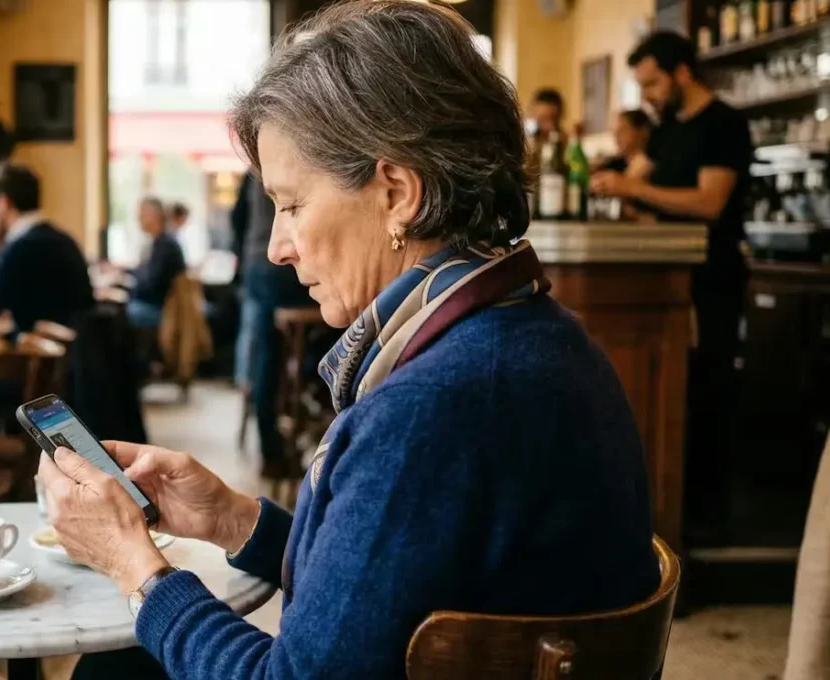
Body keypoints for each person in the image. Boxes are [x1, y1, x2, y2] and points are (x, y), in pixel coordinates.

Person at [38, 3, 661, 679]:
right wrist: (234, 520)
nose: (277, 247)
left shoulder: (430, 407)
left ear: (396, 193)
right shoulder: (539, 337)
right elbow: (387, 589)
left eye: (293, 203)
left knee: (114, 668)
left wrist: (137, 567)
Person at [591, 31, 752, 535]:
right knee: (677, 397)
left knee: (707, 393)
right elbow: (637, 177)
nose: (648, 97)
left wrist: (634, 188)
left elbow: (710, 203)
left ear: (682, 72)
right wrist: (613, 181)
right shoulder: (665, 130)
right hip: (667, 276)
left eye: (654, 83)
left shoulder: (724, 124)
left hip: (712, 279)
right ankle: (671, 513)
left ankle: (708, 522)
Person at [229, 172, 311, 477]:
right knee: (315, 340)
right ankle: (310, 401)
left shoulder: (255, 168)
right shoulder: (296, 152)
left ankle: (271, 453)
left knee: (265, 358)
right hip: (289, 269)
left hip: (258, 266)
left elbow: (236, 220)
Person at [0, 163, 94, 332]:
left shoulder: (19, 249)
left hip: (36, 355)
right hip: (69, 352)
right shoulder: (62, 239)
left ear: (4, 204)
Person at [126, 197, 186, 329]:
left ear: (155, 216)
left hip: (163, 309)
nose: (139, 219)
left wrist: (125, 290)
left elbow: (152, 286)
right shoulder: (160, 242)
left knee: (122, 313)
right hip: (160, 304)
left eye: (142, 215)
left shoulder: (165, 245)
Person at [599, 109, 654, 175]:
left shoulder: (655, 164)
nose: (617, 136)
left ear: (643, 131)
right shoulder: (613, 166)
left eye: (623, 130)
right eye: (615, 132)